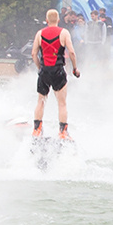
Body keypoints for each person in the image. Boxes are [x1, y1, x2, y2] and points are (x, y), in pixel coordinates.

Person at [32, 8, 81, 145]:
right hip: (58, 70)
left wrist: (39, 68)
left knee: (41, 100)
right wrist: (75, 68)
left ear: (47, 20)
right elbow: (71, 52)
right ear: (58, 20)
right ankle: (63, 132)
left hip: (44, 72)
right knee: (62, 103)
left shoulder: (40, 33)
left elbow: (33, 54)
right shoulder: (64, 33)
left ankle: (37, 129)